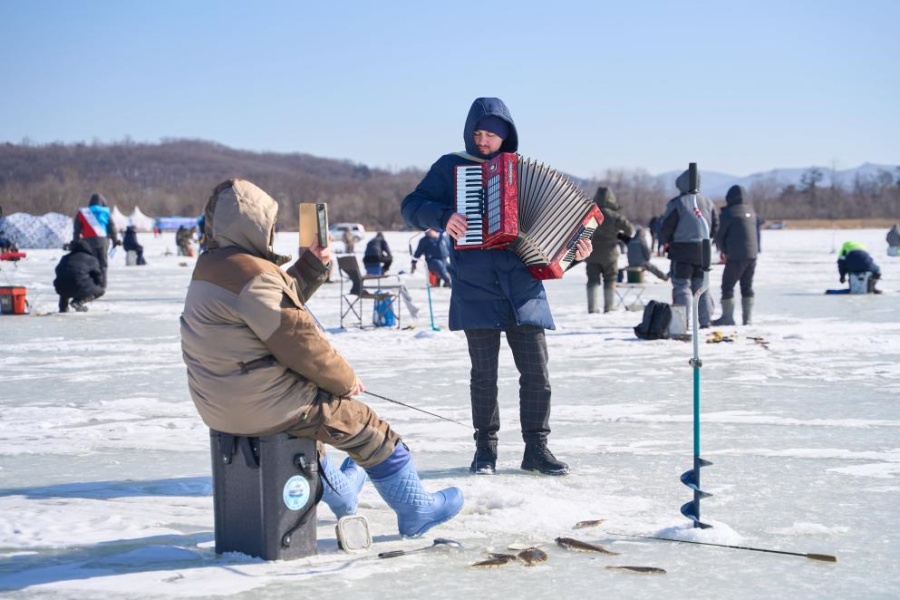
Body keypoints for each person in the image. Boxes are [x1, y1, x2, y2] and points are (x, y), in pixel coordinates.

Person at [180, 179, 462, 538]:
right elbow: (302, 343)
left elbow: (273, 302)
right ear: (254, 225)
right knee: (365, 426)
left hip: (220, 404)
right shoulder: (253, 276)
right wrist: (345, 381)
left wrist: (311, 265)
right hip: (261, 404)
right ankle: (417, 510)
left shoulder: (214, 266)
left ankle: (342, 495)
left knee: (313, 426)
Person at [400, 96, 592, 476]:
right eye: (478, 133)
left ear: (507, 136)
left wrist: (577, 251)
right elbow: (410, 206)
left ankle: (536, 448)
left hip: (523, 289)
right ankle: (484, 451)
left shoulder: (520, 169)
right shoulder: (452, 166)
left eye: (491, 134)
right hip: (475, 287)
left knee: (537, 373)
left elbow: (557, 235)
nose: (483, 140)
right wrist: (443, 215)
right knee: (484, 375)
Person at [658, 170, 719, 329]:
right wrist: (706, 239)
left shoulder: (678, 203)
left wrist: (665, 241)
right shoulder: (708, 202)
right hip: (702, 252)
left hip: (681, 251)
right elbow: (715, 225)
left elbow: (667, 226)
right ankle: (705, 322)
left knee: (682, 286)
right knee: (702, 287)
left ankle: (681, 323)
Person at [712, 185, 759, 326]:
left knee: (727, 285)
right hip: (752, 254)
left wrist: (724, 251)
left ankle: (727, 318)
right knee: (747, 285)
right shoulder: (751, 212)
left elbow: (719, 235)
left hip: (736, 254)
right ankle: (747, 319)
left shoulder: (729, 213)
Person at [584, 187, 634, 313]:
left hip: (592, 253)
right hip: (610, 254)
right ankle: (609, 307)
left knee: (592, 281)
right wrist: (617, 233)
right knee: (610, 279)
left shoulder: (589, 215)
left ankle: (592, 308)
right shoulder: (615, 216)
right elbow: (630, 230)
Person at [73, 193, 120, 290]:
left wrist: (75, 242)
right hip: (103, 241)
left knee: (90, 263)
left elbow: (76, 229)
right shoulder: (105, 212)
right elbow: (112, 227)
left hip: (87, 242)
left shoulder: (82, 212)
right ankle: (102, 285)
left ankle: (92, 285)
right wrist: (115, 241)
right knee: (103, 264)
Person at [53, 240, 105, 312]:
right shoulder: (91, 259)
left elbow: (58, 270)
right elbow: (98, 277)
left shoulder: (65, 258)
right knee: (100, 291)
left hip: (60, 287)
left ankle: (63, 308)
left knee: (65, 284)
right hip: (79, 287)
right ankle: (79, 301)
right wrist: (95, 284)